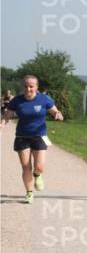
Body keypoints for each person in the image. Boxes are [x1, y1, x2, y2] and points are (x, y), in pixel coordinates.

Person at [2, 75, 64, 203]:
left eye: (31, 86)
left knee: (39, 167)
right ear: (22, 87)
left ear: (36, 87)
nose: (28, 89)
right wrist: (2, 123)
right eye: (26, 86)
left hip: (39, 135)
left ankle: (37, 175)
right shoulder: (17, 101)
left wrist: (58, 114)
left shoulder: (44, 99)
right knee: (26, 166)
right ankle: (29, 192)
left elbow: (55, 111)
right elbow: (7, 115)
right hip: (22, 136)